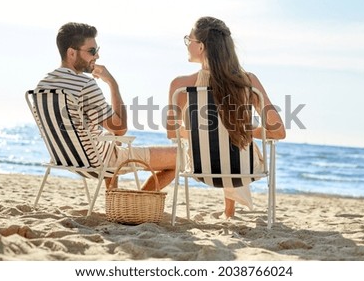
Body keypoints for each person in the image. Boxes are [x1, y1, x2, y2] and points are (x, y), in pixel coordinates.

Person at [167, 16, 286, 218]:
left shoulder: (180, 86)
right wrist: (240, 129)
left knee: (218, 142)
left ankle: (228, 210)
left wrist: (203, 132)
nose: (187, 44)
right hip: (243, 170)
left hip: (200, 168)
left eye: (190, 40)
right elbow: (278, 132)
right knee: (239, 144)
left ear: (202, 47)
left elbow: (172, 134)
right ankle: (229, 211)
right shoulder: (248, 82)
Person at [36, 22, 176, 190]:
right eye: (92, 51)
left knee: (110, 137)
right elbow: (120, 128)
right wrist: (112, 83)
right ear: (71, 53)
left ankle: (113, 198)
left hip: (65, 158)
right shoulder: (84, 84)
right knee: (180, 158)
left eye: (97, 50)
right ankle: (131, 205)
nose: (97, 56)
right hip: (97, 161)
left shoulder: (42, 85)